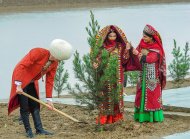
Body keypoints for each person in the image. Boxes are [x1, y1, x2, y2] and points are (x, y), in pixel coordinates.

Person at [8, 39, 72, 138]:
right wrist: (19, 85)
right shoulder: (38, 52)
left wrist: (49, 100)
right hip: (21, 78)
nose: (59, 61)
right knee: (24, 106)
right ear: (55, 54)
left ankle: (39, 129)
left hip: (32, 81)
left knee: (35, 105)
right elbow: (21, 67)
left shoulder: (54, 63)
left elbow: (49, 80)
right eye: (59, 58)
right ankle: (28, 130)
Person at [126, 24, 166, 123]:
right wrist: (130, 48)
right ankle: (141, 117)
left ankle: (153, 117)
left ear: (151, 38)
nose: (143, 38)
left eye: (145, 36)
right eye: (143, 35)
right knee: (140, 94)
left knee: (152, 97)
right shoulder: (142, 44)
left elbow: (150, 59)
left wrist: (137, 53)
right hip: (142, 75)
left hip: (152, 77)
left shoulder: (157, 48)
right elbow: (136, 55)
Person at [93, 25, 130, 125]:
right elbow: (98, 59)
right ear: (106, 37)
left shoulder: (119, 46)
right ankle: (105, 118)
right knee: (106, 97)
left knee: (117, 96)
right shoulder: (103, 47)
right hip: (105, 76)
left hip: (118, 75)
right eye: (110, 36)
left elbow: (124, 60)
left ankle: (117, 118)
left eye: (114, 36)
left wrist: (127, 50)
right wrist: (96, 64)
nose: (113, 38)